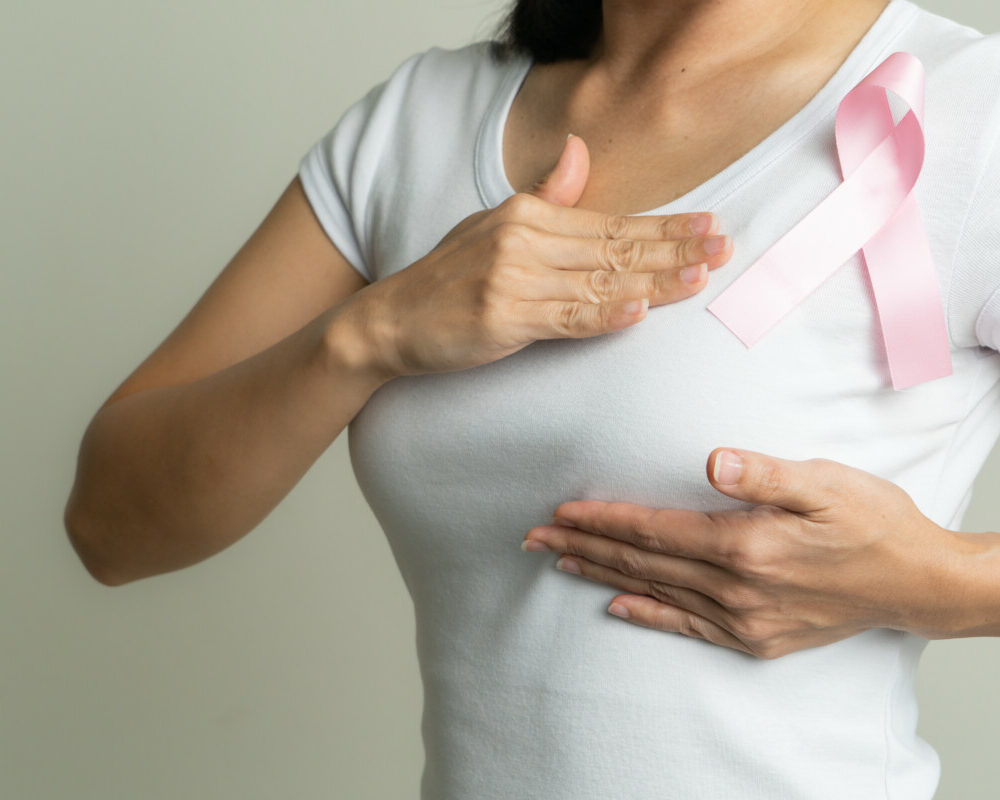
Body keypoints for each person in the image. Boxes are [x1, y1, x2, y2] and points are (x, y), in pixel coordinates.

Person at [63, 0, 1000, 796]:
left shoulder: (964, 105)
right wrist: (370, 336)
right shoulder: (424, 117)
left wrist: (928, 584)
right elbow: (111, 524)